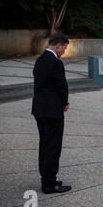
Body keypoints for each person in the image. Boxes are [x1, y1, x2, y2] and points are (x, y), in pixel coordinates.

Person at [32, 32, 71, 194]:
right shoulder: (56, 63)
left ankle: (46, 178)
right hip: (52, 111)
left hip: (39, 109)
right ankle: (49, 184)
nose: (64, 51)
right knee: (53, 147)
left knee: (45, 145)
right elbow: (62, 86)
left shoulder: (40, 60)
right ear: (58, 45)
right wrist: (64, 102)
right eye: (64, 48)